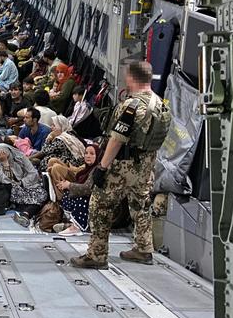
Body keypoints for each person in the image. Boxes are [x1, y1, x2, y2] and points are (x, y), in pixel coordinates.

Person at [70, 61, 171, 269]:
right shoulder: (161, 104)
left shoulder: (131, 106)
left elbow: (117, 139)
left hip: (123, 165)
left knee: (100, 205)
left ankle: (97, 255)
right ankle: (144, 249)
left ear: (131, 78)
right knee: (140, 204)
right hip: (146, 164)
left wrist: (102, 167)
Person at [51, 144, 100, 236]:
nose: (88, 156)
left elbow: (87, 188)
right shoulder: (86, 169)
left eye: (92, 154)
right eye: (86, 153)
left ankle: (76, 227)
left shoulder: (97, 169)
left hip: (94, 199)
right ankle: (71, 223)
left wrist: (69, 185)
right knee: (52, 167)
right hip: (86, 194)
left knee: (81, 197)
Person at [0, 144, 46, 227]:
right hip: (12, 188)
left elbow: (33, 173)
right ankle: (25, 213)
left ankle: (25, 214)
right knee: (31, 198)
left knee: (42, 195)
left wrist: (23, 182)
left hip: (28, 184)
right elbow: (6, 181)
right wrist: (5, 164)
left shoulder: (20, 156)